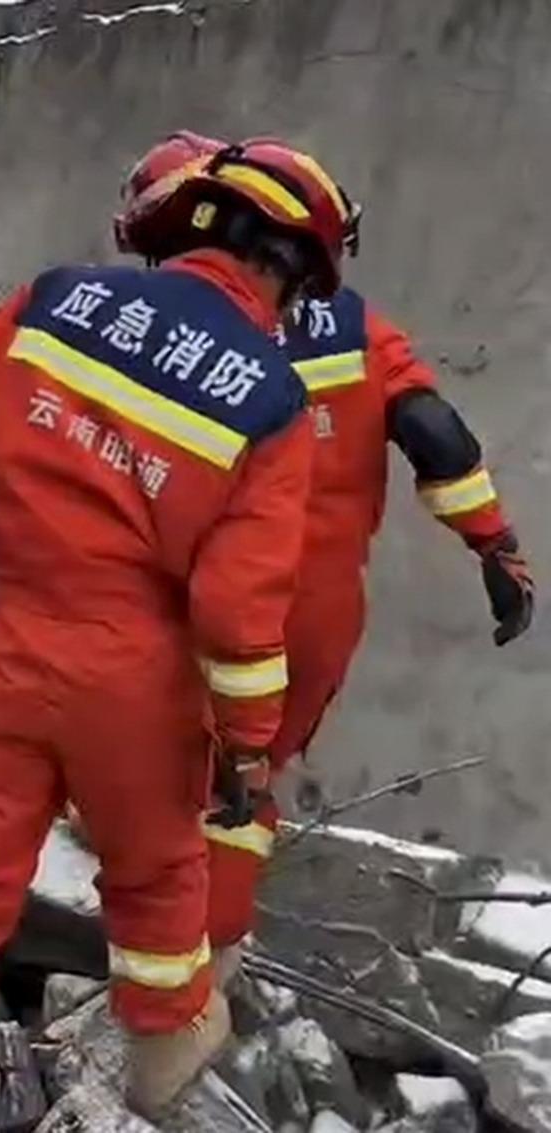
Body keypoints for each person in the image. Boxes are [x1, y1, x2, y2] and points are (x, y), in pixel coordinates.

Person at [0, 139, 352, 1128]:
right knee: (156, 881)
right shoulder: (268, 400)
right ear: (291, 269)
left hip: (3, 653)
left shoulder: (55, 300)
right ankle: (164, 1079)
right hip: (136, 690)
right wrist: (243, 746)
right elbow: (234, 612)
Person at [114, 131, 535, 972]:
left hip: (194, 603)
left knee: (146, 775)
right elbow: (434, 435)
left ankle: (137, 957)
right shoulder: (356, 327)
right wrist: (496, 545)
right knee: (244, 787)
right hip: (315, 616)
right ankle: (210, 959)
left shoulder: (172, 332)